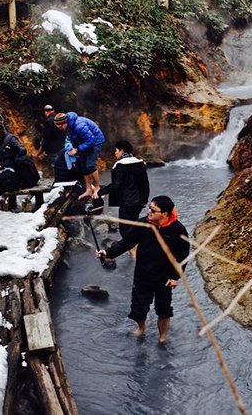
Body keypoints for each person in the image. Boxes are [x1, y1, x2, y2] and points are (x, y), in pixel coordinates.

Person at [96, 196, 189, 343]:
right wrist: (108, 253)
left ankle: (162, 337)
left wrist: (175, 277)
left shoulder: (178, 230)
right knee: (139, 308)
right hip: (142, 275)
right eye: (149, 208)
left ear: (164, 214)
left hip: (164, 278)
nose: (149, 212)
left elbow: (183, 256)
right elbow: (126, 242)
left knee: (164, 311)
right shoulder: (143, 224)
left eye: (153, 210)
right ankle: (141, 328)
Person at [98, 139, 150, 246]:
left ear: (122, 151)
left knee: (125, 231)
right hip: (138, 202)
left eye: (116, 150)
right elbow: (145, 185)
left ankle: (134, 254)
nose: (115, 153)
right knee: (133, 227)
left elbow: (116, 185)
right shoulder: (139, 163)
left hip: (127, 203)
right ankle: (135, 251)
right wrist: (144, 200)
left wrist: (99, 192)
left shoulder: (120, 165)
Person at [53, 112, 105, 200]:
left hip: (96, 141)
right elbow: (71, 138)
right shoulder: (69, 127)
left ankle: (97, 188)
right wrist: (70, 146)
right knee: (83, 165)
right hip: (84, 142)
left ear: (65, 123)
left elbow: (91, 140)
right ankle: (88, 190)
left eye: (61, 127)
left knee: (90, 165)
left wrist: (77, 149)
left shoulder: (79, 126)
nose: (60, 129)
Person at [35, 104, 65, 176]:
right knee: (62, 164)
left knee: (55, 165)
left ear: (46, 112)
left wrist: (45, 151)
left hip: (53, 148)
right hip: (62, 146)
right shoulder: (59, 118)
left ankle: (58, 181)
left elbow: (47, 137)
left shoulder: (49, 121)